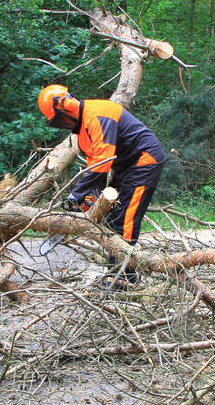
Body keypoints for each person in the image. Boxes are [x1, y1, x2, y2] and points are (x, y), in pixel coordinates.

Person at [37, 84, 166, 287]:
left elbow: (102, 165)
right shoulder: (82, 136)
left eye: (59, 120)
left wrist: (75, 196)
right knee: (111, 217)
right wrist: (88, 201)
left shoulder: (99, 113)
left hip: (144, 162)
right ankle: (122, 273)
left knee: (125, 220)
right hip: (125, 167)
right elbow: (94, 170)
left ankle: (121, 278)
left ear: (65, 105)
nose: (61, 125)